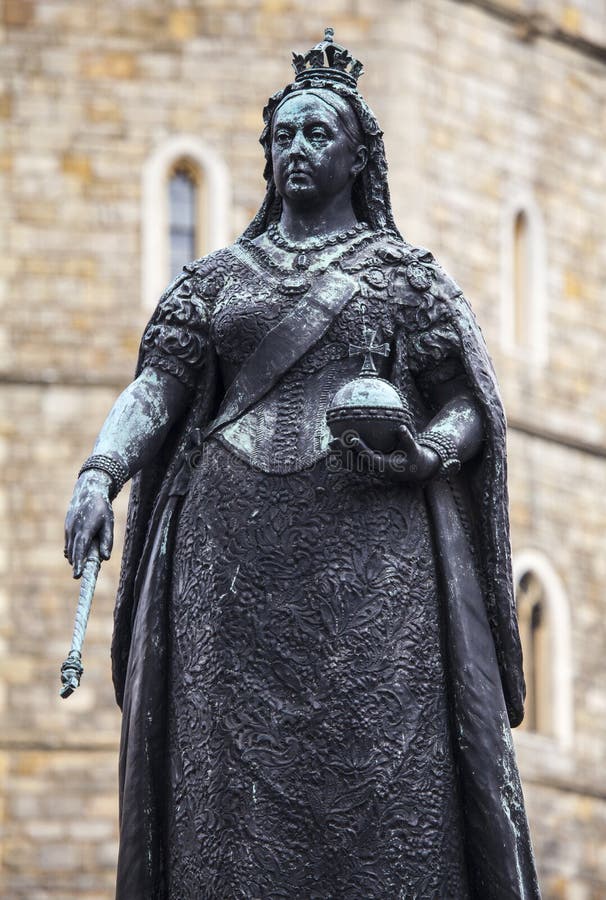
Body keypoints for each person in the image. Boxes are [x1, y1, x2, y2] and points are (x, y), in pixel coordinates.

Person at [64, 28, 541, 900]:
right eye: (283, 135)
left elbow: (469, 403)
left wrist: (425, 452)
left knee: (381, 767)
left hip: (373, 566)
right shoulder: (214, 282)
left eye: (318, 134)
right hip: (228, 559)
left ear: (359, 158)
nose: (297, 149)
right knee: (223, 790)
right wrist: (101, 471)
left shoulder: (405, 278)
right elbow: (159, 390)